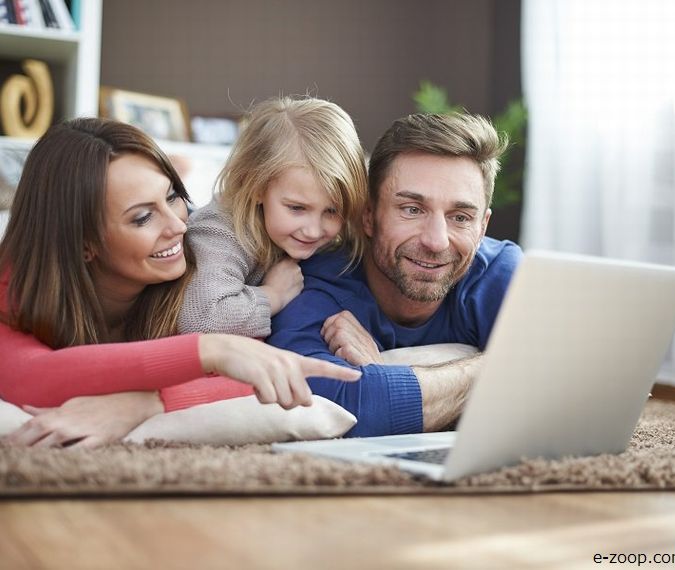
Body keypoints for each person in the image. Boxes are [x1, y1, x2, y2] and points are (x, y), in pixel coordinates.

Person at [0, 118, 360, 447]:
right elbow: (32, 377)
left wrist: (149, 402)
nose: (178, 226)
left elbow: (263, 373)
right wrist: (211, 350)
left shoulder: (206, 270)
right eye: (142, 218)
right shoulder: (16, 282)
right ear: (83, 245)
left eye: (172, 196)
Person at [267, 112, 524, 437]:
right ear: (369, 216)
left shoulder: (498, 273)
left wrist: (386, 372)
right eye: (412, 210)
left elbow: (565, 383)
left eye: (460, 217)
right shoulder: (313, 283)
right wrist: (507, 365)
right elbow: (335, 409)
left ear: (482, 226)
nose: (436, 240)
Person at [178, 96, 367, 337]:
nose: (313, 230)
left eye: (332, 211)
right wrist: (273, 294)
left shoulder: (323, 235)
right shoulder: (219, 230)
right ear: (255, 185)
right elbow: (202, 319)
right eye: (297, 208)